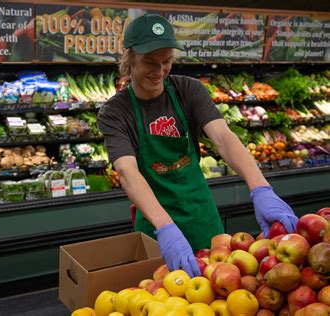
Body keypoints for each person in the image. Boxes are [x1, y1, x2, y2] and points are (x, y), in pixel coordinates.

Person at [97, 14, 298, 278]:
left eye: (166, 61)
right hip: (156, 225)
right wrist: (165, 228)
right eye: (149, 62)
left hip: (201, 215)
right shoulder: (116, 112)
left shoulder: (188, 90)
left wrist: (260, 187)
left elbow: (224, 138)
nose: (159, 71)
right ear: (129, 57)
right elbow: (127, 172)